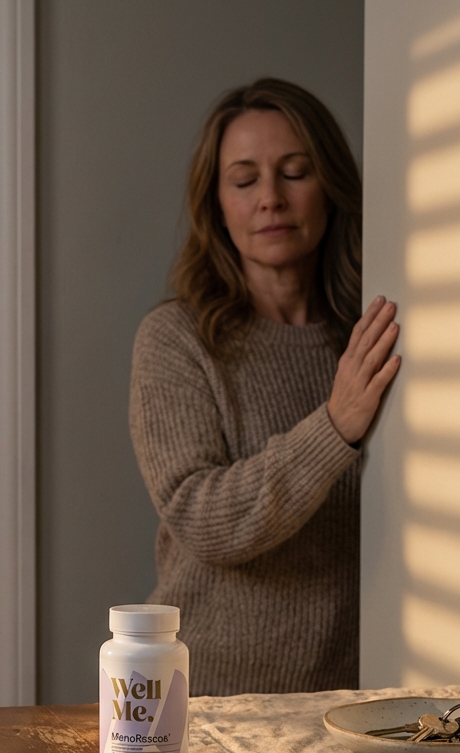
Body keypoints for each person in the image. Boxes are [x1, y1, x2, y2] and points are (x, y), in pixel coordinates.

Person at [129, 78, 400, 697]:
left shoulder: (370, 339)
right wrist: (333, 427)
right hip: (207, 702)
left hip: (357, 702)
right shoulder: (177, 338)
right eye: (245, 180)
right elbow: (203, 522)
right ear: (217, 204)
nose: (271, 199)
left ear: (330, 186)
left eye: (296, 171)